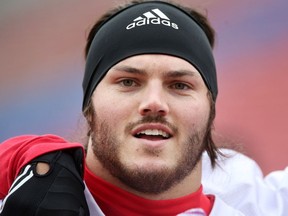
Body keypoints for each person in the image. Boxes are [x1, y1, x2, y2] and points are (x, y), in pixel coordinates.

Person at [0, 0, 287, 215]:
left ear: (210, 110)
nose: (154, 103)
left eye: (180, 85)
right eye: (128, 82)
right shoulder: (26, 190)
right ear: (89, 105)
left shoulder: (250, 196)